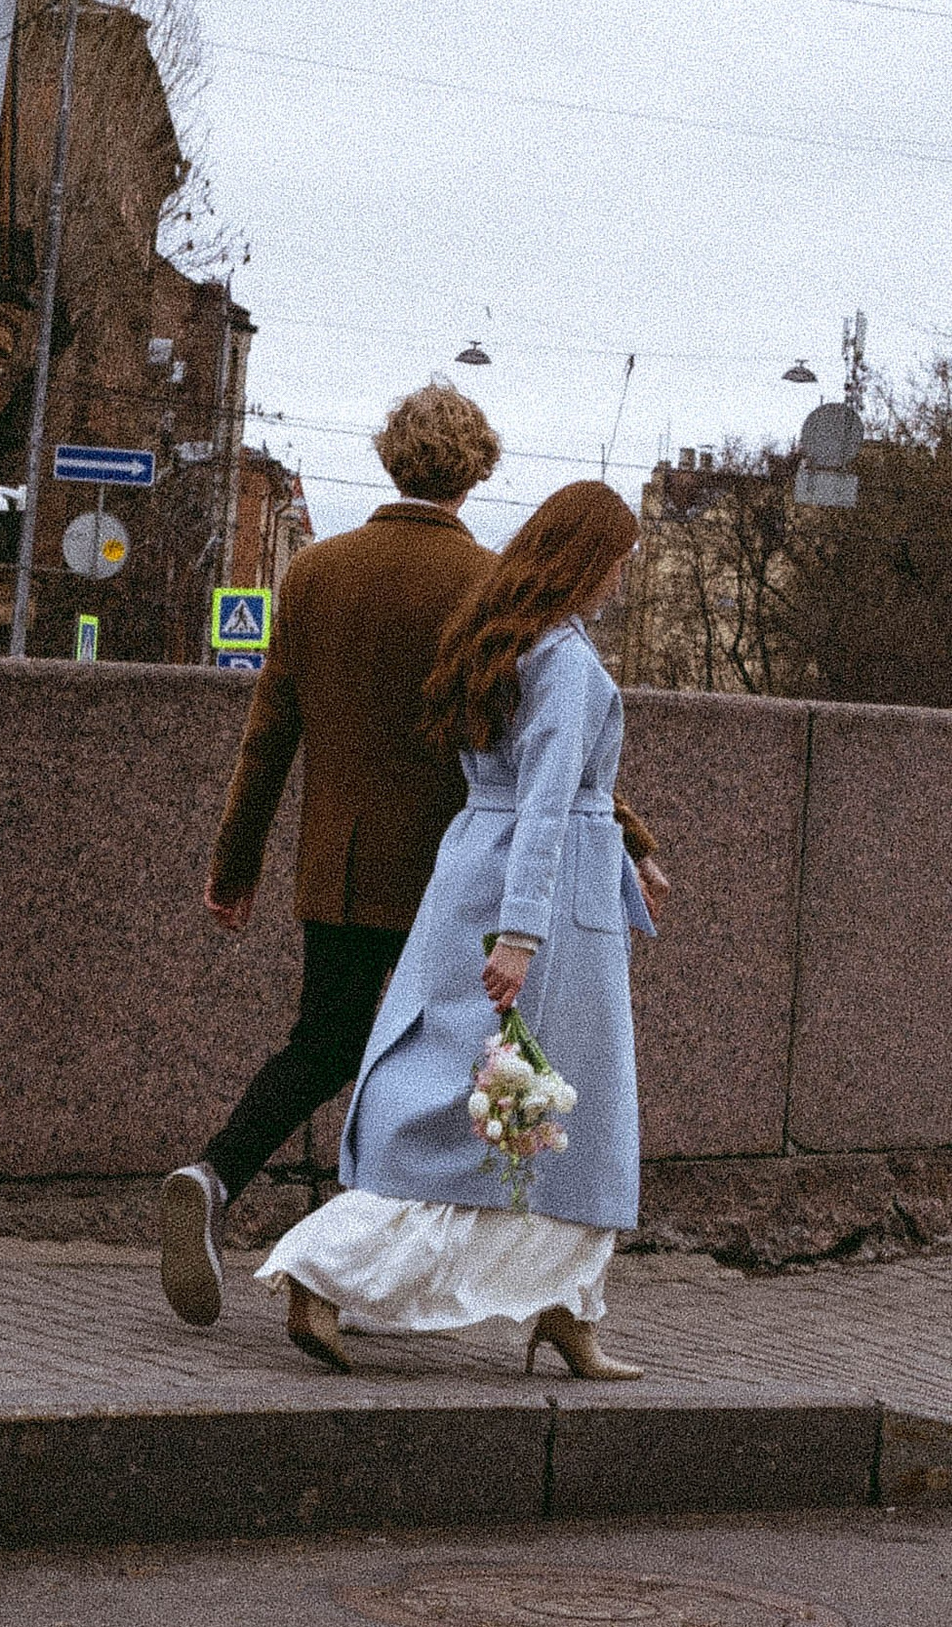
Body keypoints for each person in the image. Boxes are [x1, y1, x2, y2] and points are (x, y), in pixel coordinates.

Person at [258, 479, 662, 1378]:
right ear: (586, 560)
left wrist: (624, 862)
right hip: (547, 908)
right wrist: (522, 935)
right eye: (619, 560)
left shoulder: (503, 644)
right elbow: (551, 802)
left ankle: (564, 1306)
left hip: (473, 870)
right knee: (519, 1106)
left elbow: (531, 793)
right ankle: (327, 1268)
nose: (621, 580)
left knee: (487, 1094)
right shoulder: (565, 666)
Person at [157, 381, 502, 1327]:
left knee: (324, 1043)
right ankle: (354, 1265)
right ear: (475, 470)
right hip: (452, 872)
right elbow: (542, 741)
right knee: (451, 1066)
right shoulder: (487, 584)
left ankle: (216, 1171)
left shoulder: (315, 572)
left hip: (339, 864)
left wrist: (236, 866)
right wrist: (630, 837)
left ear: (391, 456)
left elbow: (268, 738)